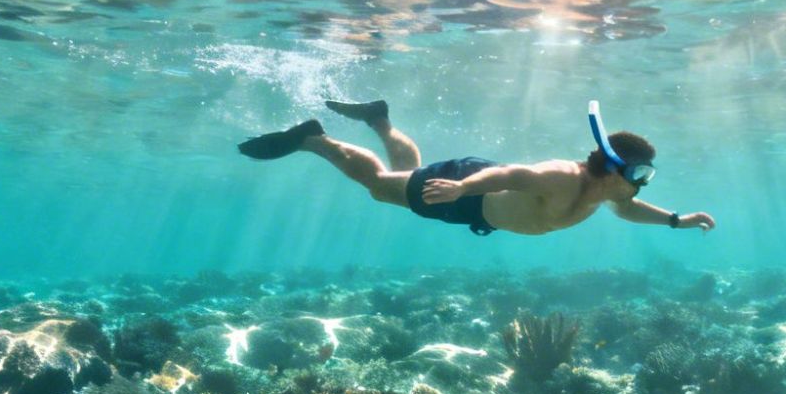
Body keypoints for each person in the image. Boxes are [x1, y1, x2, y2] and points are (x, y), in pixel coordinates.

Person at [237, 99, 716, 238]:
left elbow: (629, 211)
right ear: (612, 165)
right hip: (470, 193)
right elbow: (510, 176)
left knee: (406, 174)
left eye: (645, 179)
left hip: (474, 210)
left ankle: (378, 117)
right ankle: (312, 138)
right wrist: (462, 188)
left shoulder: (612, 192)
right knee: (380, 186)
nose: (639, 187)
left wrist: (677, 219)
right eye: (638, 176)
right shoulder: (562, 176)